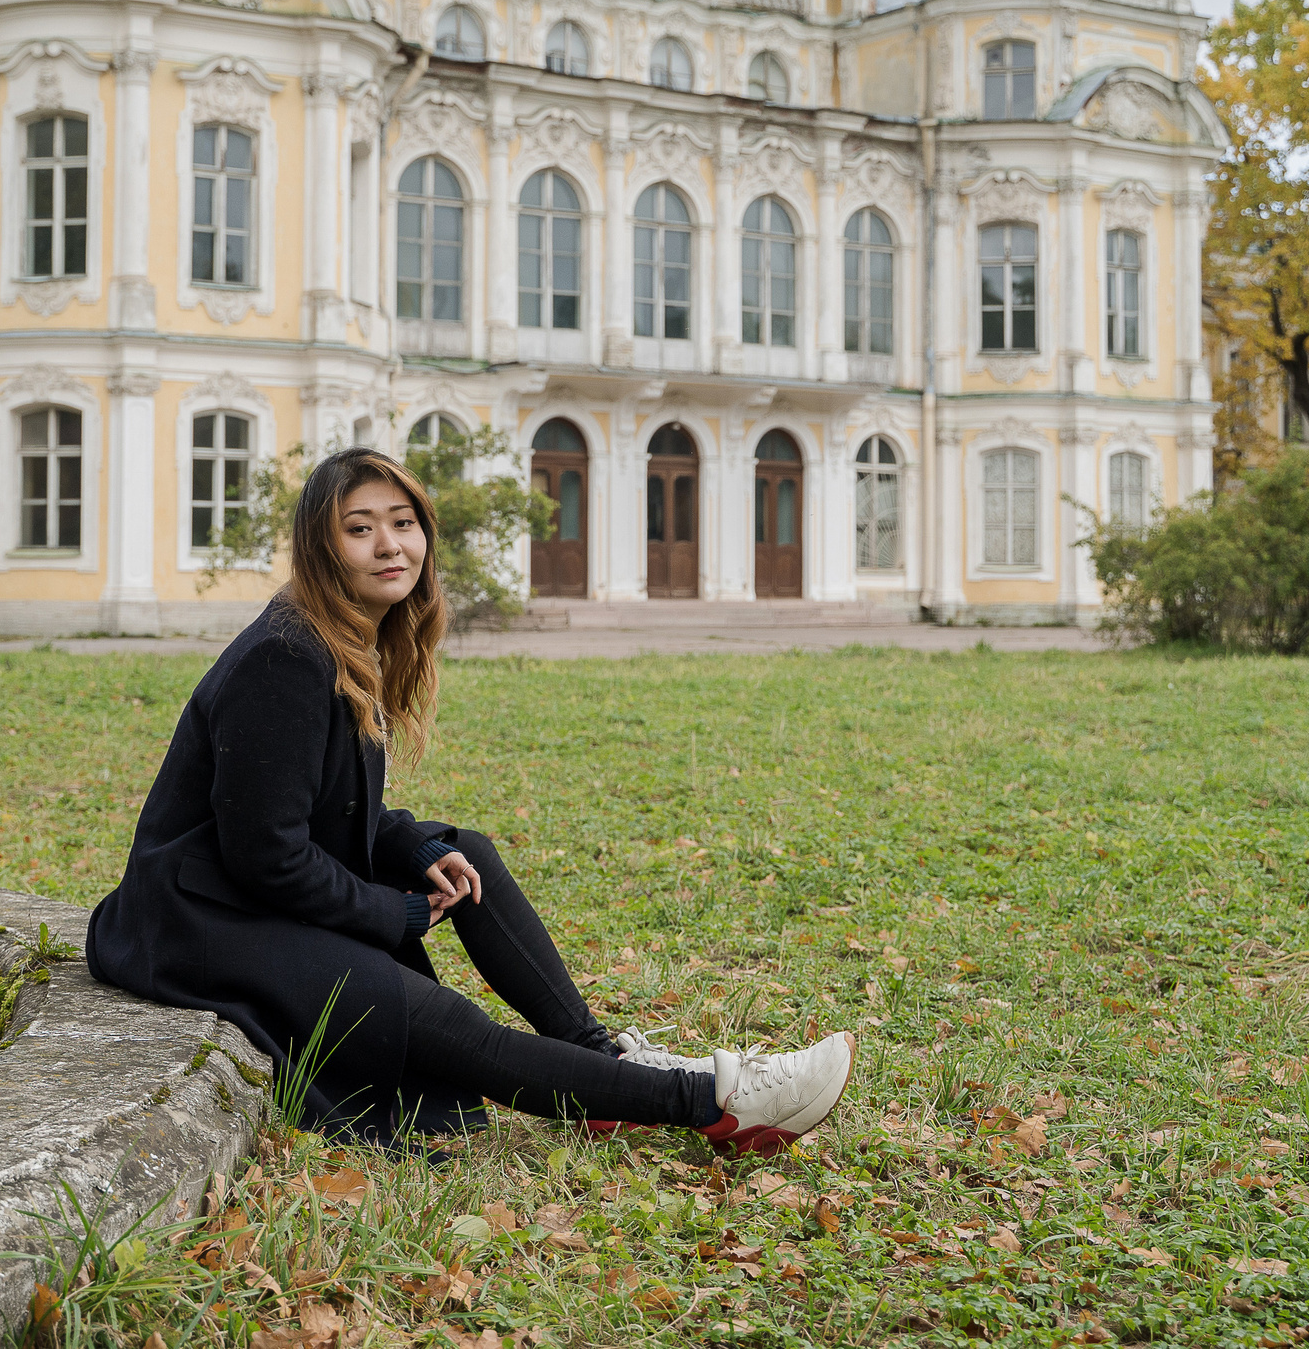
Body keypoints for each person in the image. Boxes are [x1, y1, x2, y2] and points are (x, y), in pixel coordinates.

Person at [86, 445, 853, 1151]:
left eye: (403, 522)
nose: (391, 545)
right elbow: (266, 854)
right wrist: (401, 914)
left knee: (465, 853)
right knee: (450, 1025)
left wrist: (418, 851)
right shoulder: (285, 658)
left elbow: (333, 811)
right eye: (360, 528)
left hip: (249, 896)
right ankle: (717, 1100)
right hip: (201, 923)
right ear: (322, 548)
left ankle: (596, 1059)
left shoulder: (345, 638)